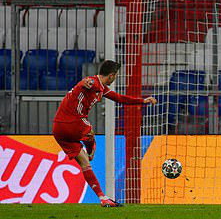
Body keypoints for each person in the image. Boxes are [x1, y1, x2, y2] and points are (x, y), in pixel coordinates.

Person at [52, 60, 157, 207]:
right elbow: (85, 83)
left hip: (58, 129)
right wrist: (85, 83)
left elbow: (121, 99)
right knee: (89, 133)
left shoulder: (102, 88)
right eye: (116, 76)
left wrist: (142, 101)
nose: (115, 79)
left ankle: (103, 198)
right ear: (111, 75)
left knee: (85, 165)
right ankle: (91, 147)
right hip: (71, 122)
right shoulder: (93, 82)